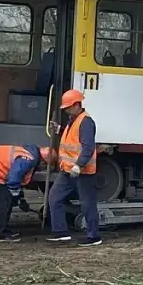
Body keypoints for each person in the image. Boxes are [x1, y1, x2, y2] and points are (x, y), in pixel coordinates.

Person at [46, 89, 101, 247]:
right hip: (68, 170)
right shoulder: (74, 120)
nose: (67, 110)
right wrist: (59, 130)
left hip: (82, 171)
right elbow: (71, 137)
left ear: (77, 105)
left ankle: (94, 236)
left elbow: (88, 147)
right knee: (54, 197)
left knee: (87, 203)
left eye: (69, 107)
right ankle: (60, 232)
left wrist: (79, 165)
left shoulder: (86, 122)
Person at [0, 144, 51, 242]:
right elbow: (13, 180)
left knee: (7, 199)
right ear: (44, 161)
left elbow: (17, 179)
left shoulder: (30, 153)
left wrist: (20, 198)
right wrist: (19, 199)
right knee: (4, 200)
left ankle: (3, 229)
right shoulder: (28, 159)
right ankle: (0, 234)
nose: (43, 169)